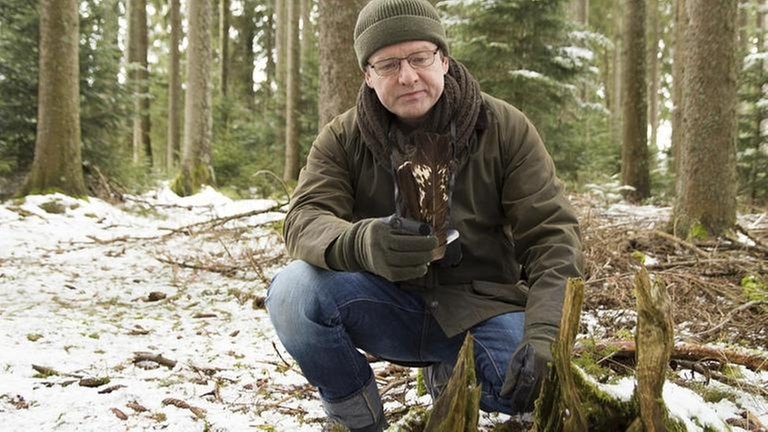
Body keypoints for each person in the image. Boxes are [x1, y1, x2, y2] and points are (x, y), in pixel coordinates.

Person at [265, 0, 583, 430]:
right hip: (384, 301)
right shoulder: (344, 137)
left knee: (525, 386)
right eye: (389, 64)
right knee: (293, 292)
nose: (408, 76)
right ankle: (356, 419)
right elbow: (304, 217)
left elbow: (552, 236)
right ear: (368, 75)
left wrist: (545, 332)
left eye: (420, 58)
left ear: (444, 60)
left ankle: (451, 374)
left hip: (480, 308)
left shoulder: (504, 128)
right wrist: (363, 242)